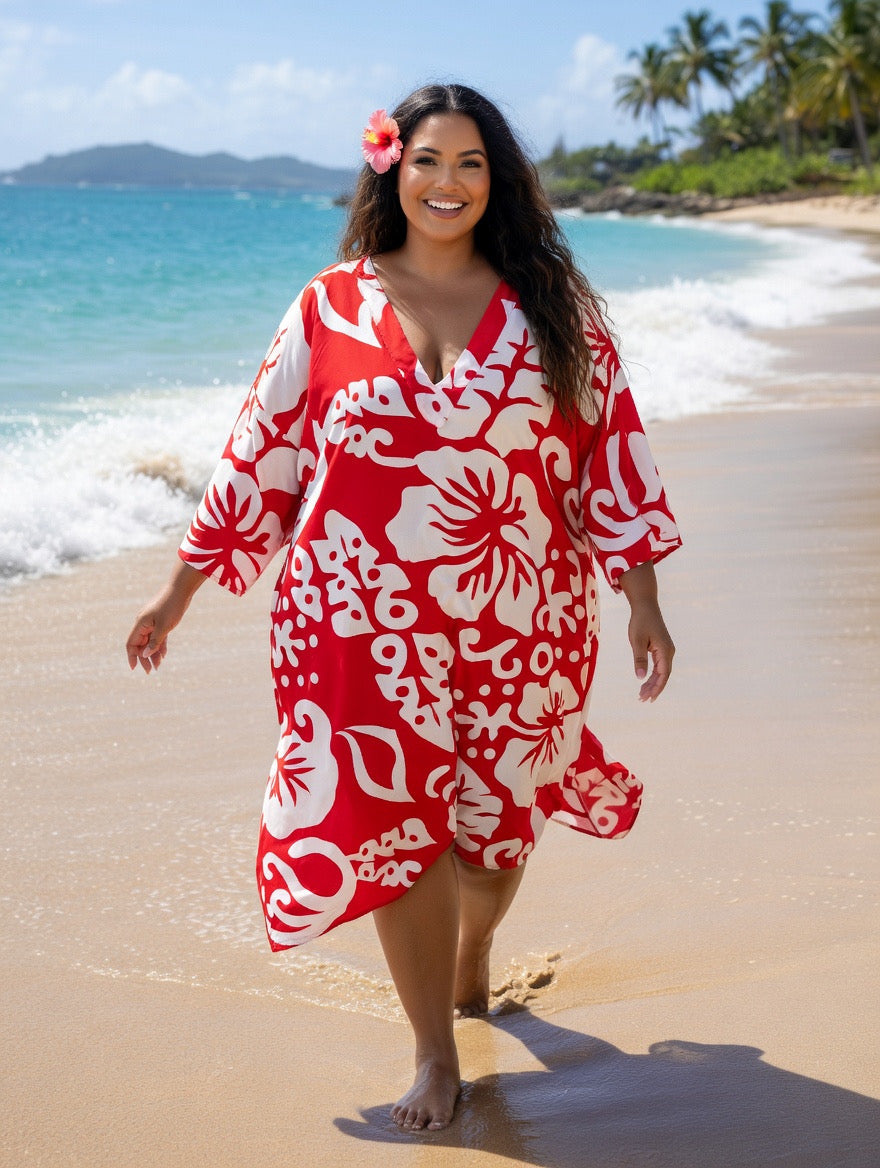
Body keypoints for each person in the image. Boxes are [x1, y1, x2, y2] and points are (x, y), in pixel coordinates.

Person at [125, 83, 680, 1133]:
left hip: (521, 616)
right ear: (393, 168)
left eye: (471, 163)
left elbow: (612, 447)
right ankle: (433, 1050)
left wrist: (641, 595)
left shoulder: (552, 310)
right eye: (428, 160)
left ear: (497, 180)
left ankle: (472, 948)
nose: (448, 183)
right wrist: (178, 590)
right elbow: (261, 450)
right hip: (354, 612)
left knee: (494, 836)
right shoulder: (328, 305)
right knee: (395, 821)